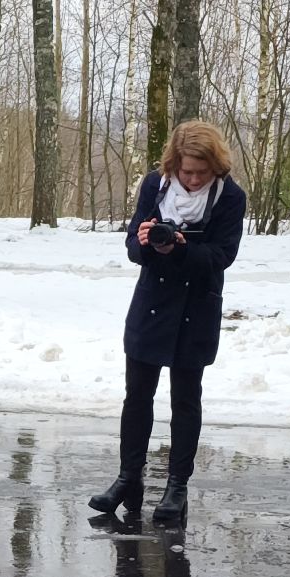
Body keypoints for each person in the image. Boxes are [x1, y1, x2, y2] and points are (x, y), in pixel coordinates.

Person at [90, 119, 247, 526]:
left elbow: (222, 256)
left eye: (201, 172)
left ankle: (177, 485)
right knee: (136, 396)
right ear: (173, 165)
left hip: (197, 308)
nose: (192, 180)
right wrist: (143, 242)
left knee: (185, 398)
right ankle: (129, 478)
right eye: (186, 171)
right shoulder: (153, 186)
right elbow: (131, 246)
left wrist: (180, 249)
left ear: (216, 166)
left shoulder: (230, 197)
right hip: (151, 305)